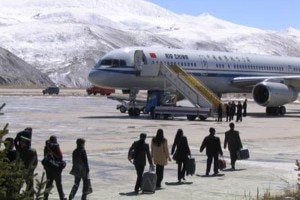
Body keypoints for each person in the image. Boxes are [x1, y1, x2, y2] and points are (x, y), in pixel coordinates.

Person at [43, 135, 67, 200]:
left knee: (48, 184)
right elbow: (60, 157)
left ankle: (45, 197)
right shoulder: (56, 146)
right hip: (56, 169)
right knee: (59, 184)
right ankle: (62, 197)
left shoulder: (46, 147)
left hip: (48, 169)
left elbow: (45, 158)